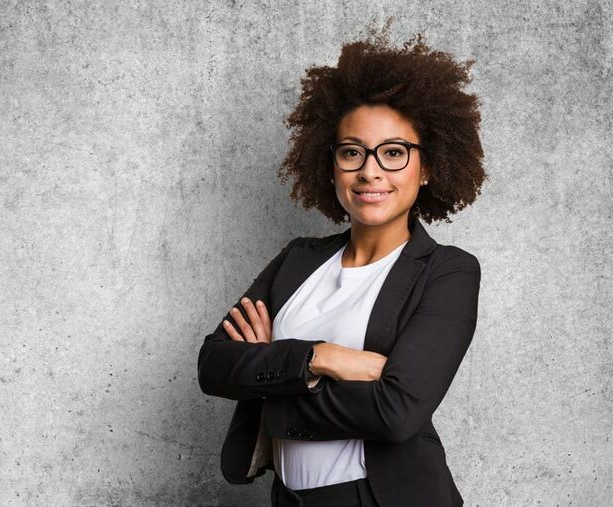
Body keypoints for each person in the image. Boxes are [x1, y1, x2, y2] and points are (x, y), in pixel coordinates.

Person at [197, 25, 486, 507]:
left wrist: (273, 378)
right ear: (330, 166)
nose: (370, 170)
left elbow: (397, 412)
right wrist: (323, 358)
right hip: (289, 497)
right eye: (352, 152)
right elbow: (214, 364)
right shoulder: (299, 259)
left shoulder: (447, 271)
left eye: (394, 153)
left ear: (428, 166)